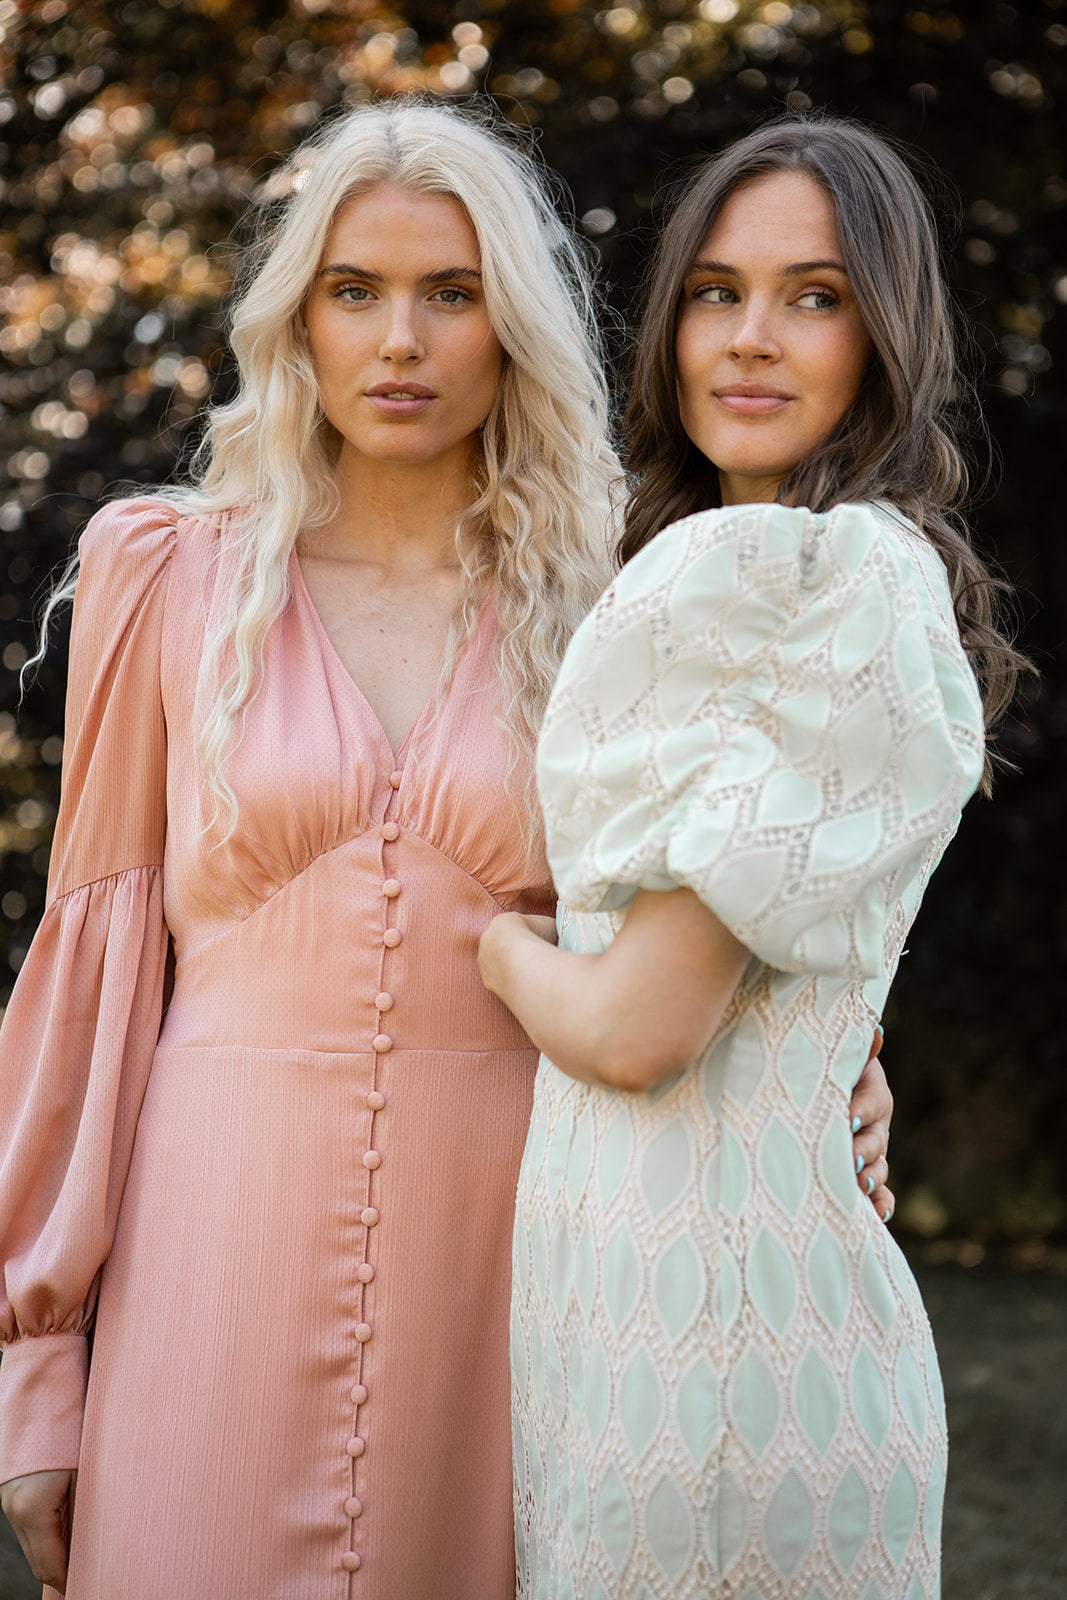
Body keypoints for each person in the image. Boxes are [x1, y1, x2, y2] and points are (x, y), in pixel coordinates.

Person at [0, 101, 892, 1600]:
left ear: (512, 325)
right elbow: (91, 969)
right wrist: (35, 1361)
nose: (399, 341)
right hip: (208, 1249)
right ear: (300, 319)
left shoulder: (625, 589)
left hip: (517, 1262)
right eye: (355, 291)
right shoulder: (165, 575)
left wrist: (834, 1071)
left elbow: (730, 887)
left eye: (452, 293)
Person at [480, 114, 1024, 1600]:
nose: (750, 338)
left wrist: (494, 942)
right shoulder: (737, 567)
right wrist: (843, 1052)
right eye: (716, 292)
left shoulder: (818, 571)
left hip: (722, 1365)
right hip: (654, 1326)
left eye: (816, 297)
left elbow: (635, 1027)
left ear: (886, 336)